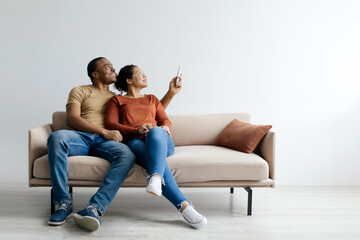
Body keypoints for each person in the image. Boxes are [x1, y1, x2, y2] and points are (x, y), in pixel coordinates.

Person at [47, 57, 181, 232]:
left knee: (127, 155)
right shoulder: (80, 90)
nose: (113, 68)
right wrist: (103, 131)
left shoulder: (117, 98)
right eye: (107, 66)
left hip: (107, 142)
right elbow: (72, 119)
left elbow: (150, 110)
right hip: (81, 137)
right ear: (95, 74)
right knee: (57, 137)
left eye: (112, 66)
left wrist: (170, 94)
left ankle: (94, 208)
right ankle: (63, 203)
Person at [105, 64, 208, 229]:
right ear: (129, 80)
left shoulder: (151, 98)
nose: (145, 75)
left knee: (155, 132)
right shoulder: (117, 100)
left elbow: (164, 120)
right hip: (135, 142)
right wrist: (136, 129)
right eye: (140, 73)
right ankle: (184, 206)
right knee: (152, 158)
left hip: (160, 141)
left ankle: (156, 178)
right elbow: (110, 124)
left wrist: (165, 127)